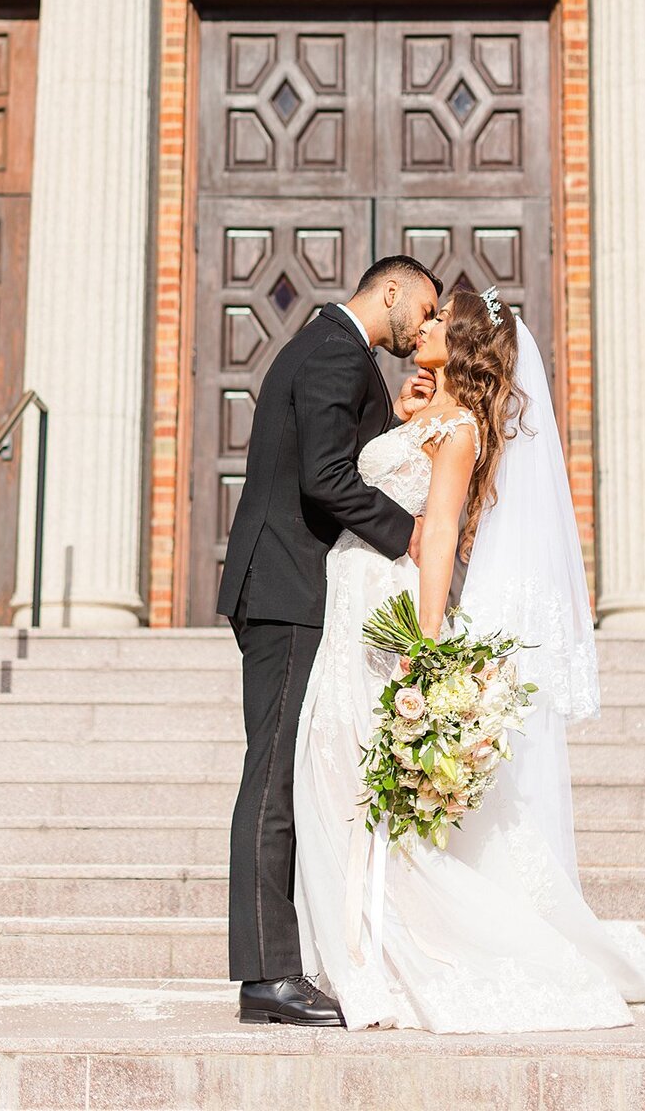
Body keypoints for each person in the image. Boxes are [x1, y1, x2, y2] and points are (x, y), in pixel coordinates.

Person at [292, 287, 645, 1032]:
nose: (425, 327)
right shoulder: (428, 413)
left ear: (466, 346)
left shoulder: (459, 432)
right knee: (329, 767)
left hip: (383, 607)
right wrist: (406, 413)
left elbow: (441, 534)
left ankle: (384, 950)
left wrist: (420, 647)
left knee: (347, 777)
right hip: (348, 600)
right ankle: (355, 946)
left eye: (440, 322)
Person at [216, 254, 441, 1027]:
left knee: (290, 774)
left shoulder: (341, 354)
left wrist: (402, 423)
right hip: (283, 592)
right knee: (272, 776)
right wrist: (410, 536)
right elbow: (326, 477)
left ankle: (293, 960)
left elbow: (355, 458)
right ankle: (266, 976)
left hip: (300, 592)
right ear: (392, 292)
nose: (423, 328)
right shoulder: (334, 352)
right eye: (425, 307)